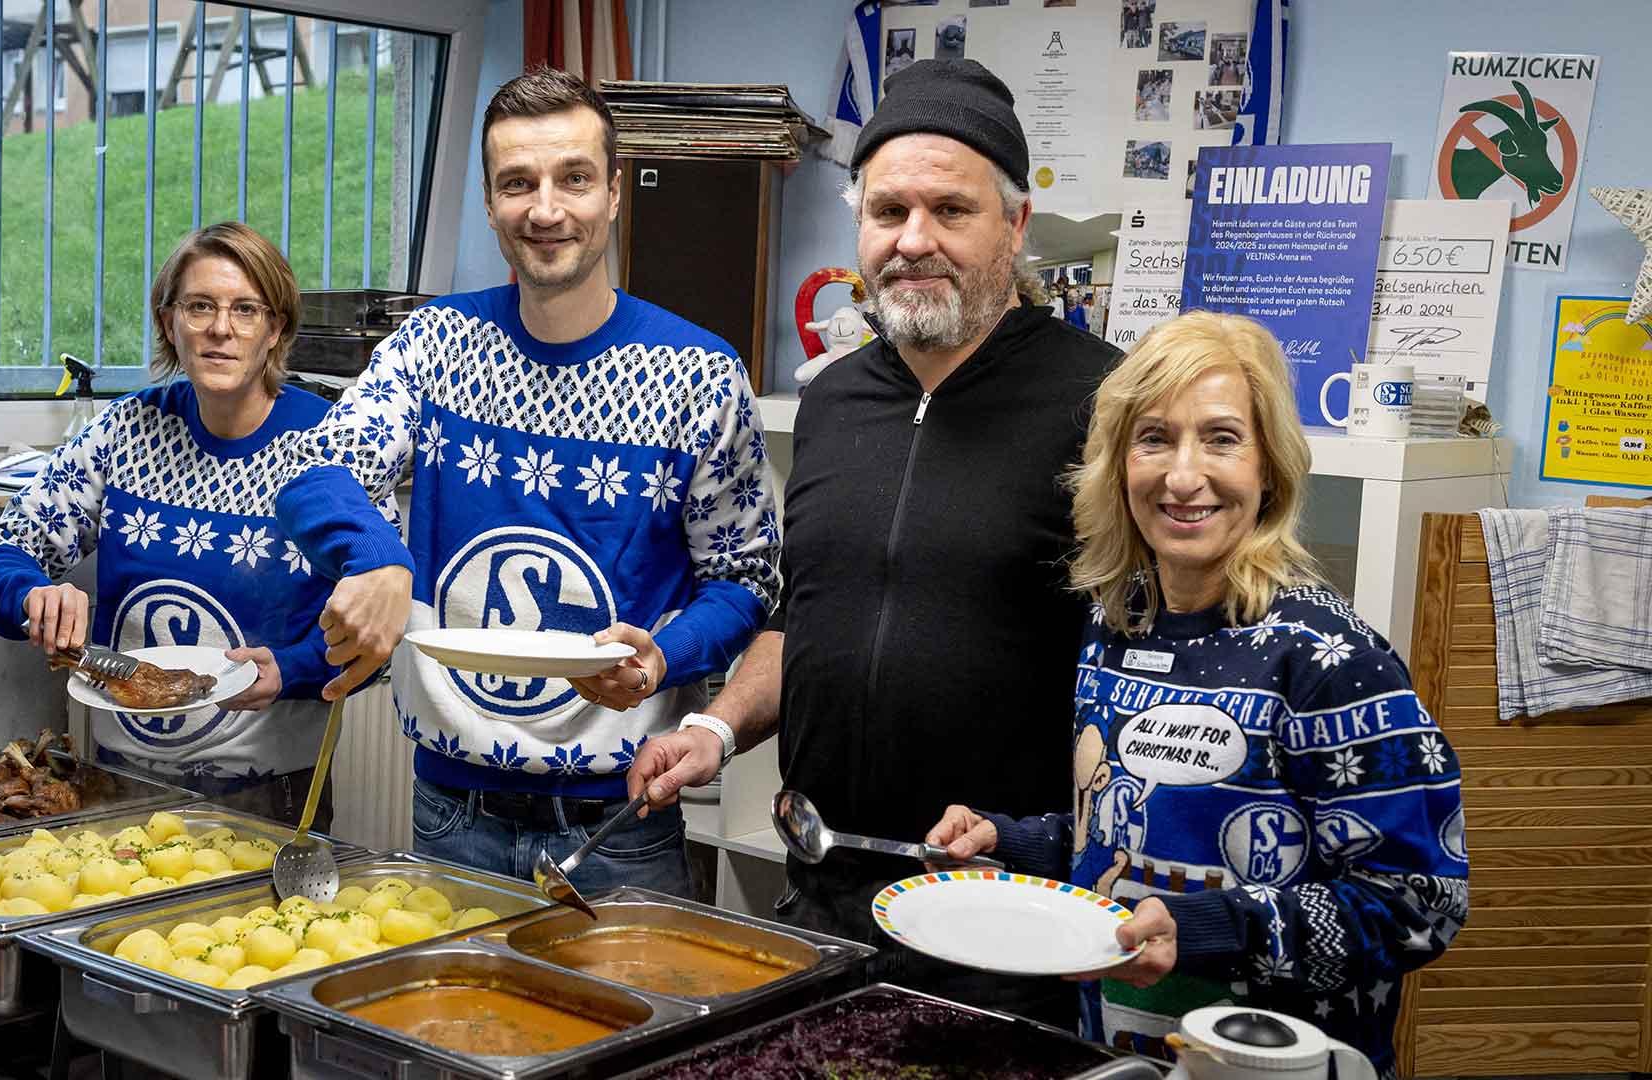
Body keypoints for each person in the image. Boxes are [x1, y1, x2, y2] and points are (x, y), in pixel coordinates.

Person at [626, 59, 1117, 1023]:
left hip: (999, 913)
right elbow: (801, 615)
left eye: (950, 210)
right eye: (888, 211)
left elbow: (1141, 670)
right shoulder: (835, 400)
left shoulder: (1103, 404)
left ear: (1014, 227)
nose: (913, 241)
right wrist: (716, 731)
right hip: (820, 891)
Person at [272, 67, 778, 897]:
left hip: (621, 824)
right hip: (449, 812)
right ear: (488, 202)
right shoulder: (435, 344)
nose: (545, 209)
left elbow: (746, 582)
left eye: (573, 178)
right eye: (518, 183)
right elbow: (311, 470)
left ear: (614, 193)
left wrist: (663, 659)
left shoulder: (700, 374)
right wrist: (379, 560)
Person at [923, 311, 1468, 1073]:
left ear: (1269, 466)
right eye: (1154, 438)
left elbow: (1420, 902)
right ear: (1118, 465)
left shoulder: (1328, 657)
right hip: (1118, 1053)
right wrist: (1008, 842)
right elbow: (1120, 838)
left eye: (1220, 438)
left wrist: (1215, 928)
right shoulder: (1116, 627)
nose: (1183, 476)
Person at [0, 222, 347, 828]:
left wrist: (299, 666)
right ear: (169, 320)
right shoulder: (127, 432)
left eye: (245, 310)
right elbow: (2, 547)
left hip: (273, 794)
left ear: (275, 328)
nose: (220, 329)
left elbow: (381, 617)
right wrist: (32, 593)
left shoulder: (330, 442)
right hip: (121, 784)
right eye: (200, 306)